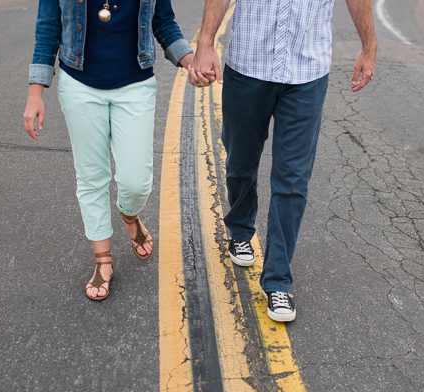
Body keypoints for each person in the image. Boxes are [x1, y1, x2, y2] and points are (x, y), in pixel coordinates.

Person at [188, 0, 377, 322]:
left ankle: (277, 280)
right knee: (240, 162)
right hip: (248, 65)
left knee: (292, 179)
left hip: (307, 73)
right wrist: (205, 43)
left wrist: (369, 46)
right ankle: (241, 228)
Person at [24, 0, 193, 301]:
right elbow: (49, 26)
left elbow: (163, 21)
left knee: (136, 181)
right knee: (91, 177)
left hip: (135, 85)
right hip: (79, 84)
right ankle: (103, 261)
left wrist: (189, 59)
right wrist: (36, 90)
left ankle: (130, 216)